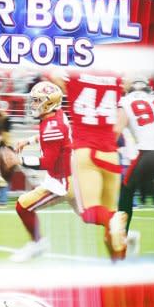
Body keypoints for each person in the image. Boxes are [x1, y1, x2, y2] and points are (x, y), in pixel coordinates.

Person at [53, 70, 127, 260]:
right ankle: (119, 265)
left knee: (90, 214)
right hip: (111, 153)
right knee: (111, 222)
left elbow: (51, 74)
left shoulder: (74, 75)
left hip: (85, 151)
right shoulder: (116, 78)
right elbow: (120, 122)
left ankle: (113, 221)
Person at [10, 81, 76, 262]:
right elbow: (53, 136)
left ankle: (38, 242)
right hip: (72, 176)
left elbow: (46, 162)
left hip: (60, 183)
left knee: (22, 205)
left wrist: (19, 160)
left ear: (49, 103)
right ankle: (122, 232)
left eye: (37, 101)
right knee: (90, 216)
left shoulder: (51, 126)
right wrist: (29, 141)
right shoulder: (57, 115)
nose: (33, 104)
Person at [114, 76, 154, 255]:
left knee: (126, 191)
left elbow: (117, 129)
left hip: (148, 154)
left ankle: (122, 240)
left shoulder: (126, 101)